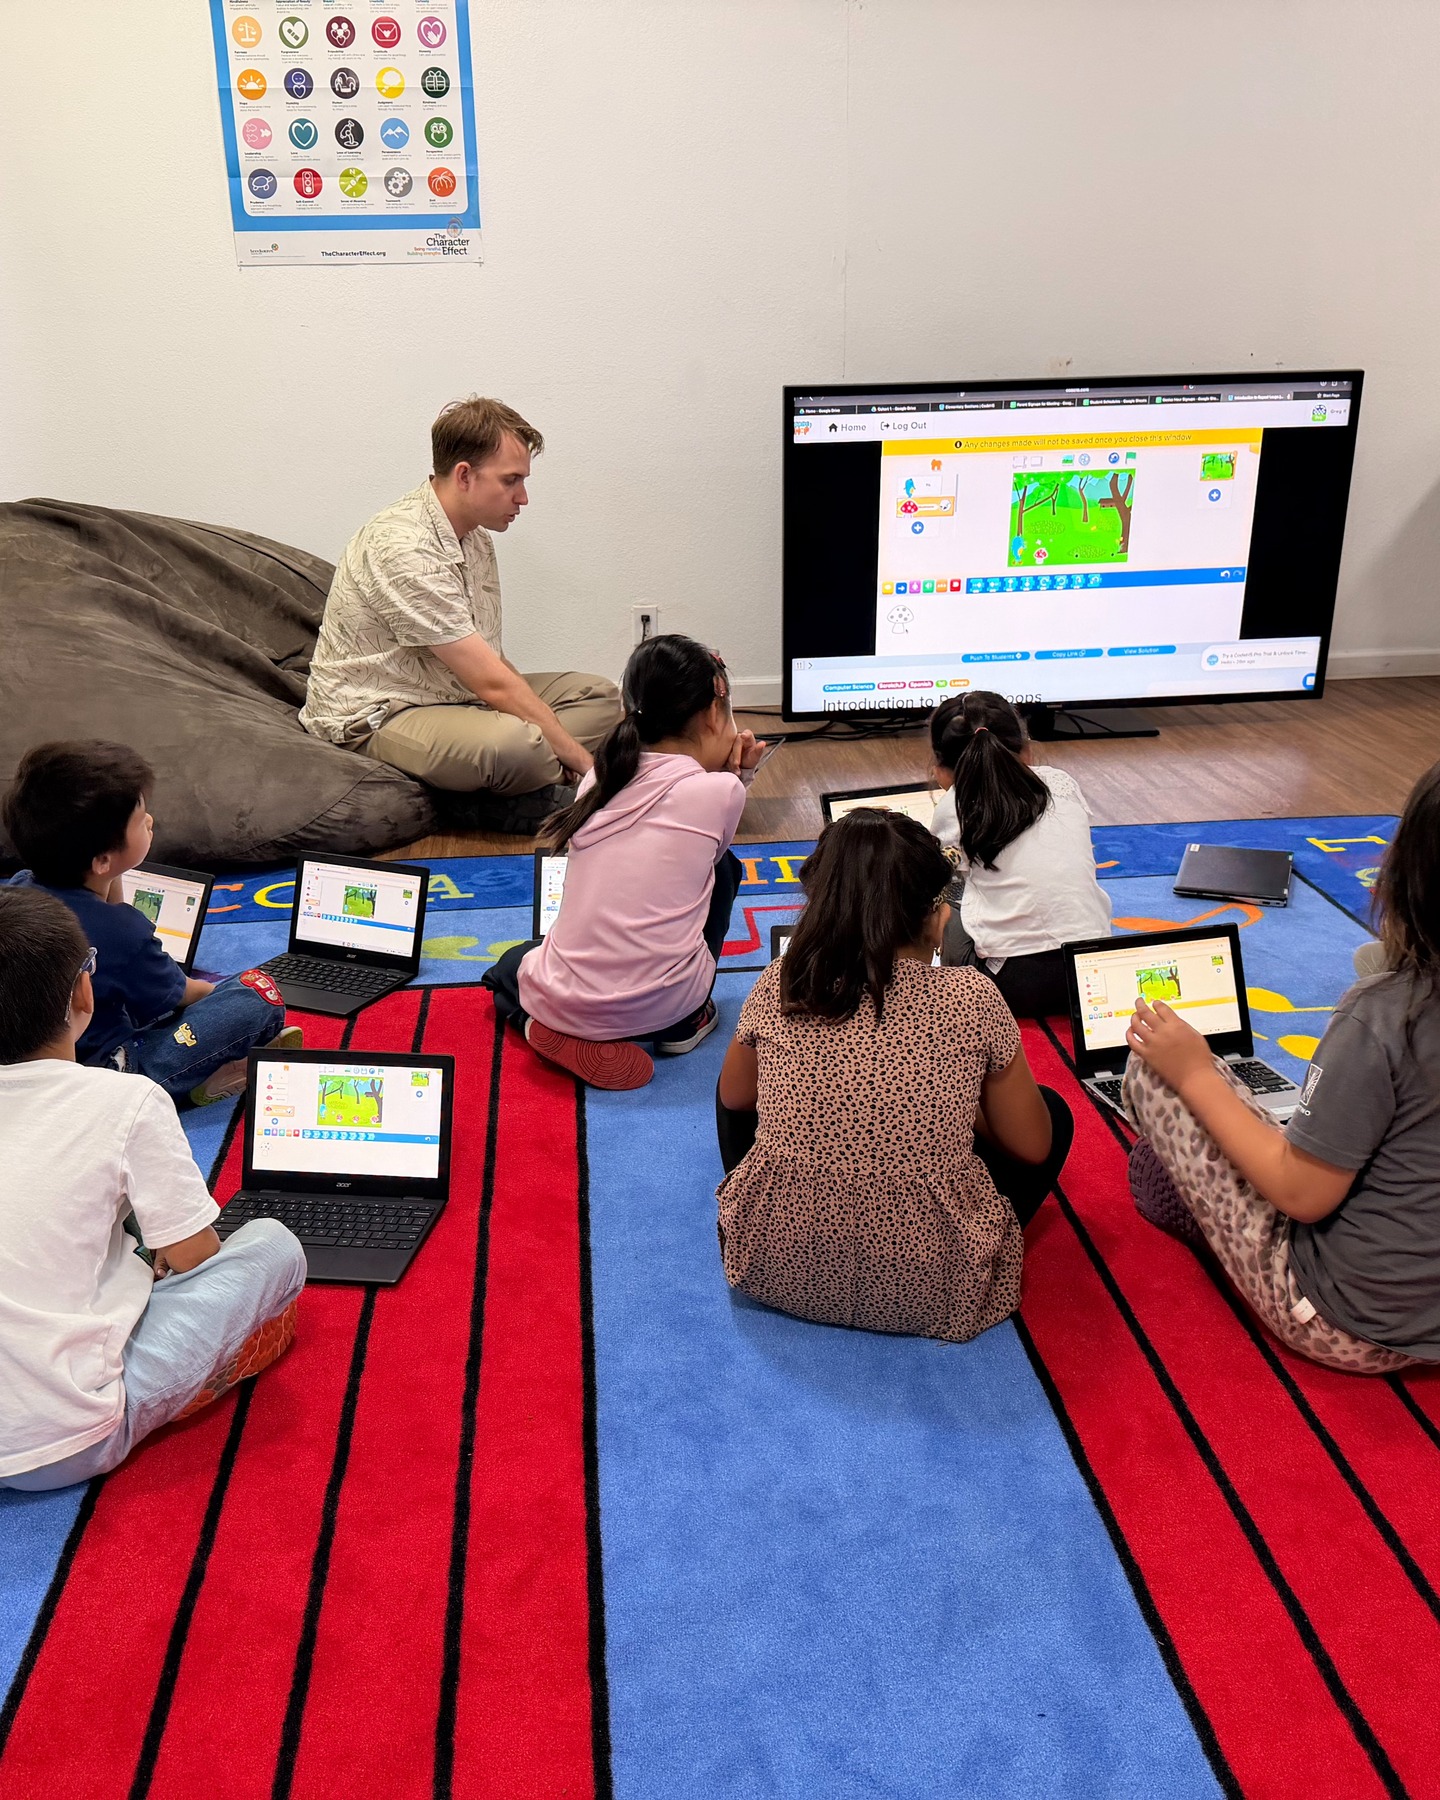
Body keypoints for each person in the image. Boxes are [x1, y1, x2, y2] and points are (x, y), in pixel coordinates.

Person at [1124, 757, 1440, 1373]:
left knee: (1154, 1074)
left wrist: (1191, 1071)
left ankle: (1193, 1205)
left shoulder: (1382, 1018)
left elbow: (1303, 1195)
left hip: (1348, 1322)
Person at [714, 809, 1074, 1343]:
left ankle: (781, 1205)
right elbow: (1032, 1145)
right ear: (935, 917)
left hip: (773, 1263)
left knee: (739, 1076)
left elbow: (735, 1098)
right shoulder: (971, 998)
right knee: (1055, 1116)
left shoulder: (783, 981)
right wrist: (959, 1105)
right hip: (935, 1284)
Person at [0, 886, 306, 1491]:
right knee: (273, 1245)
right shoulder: (129, 1099)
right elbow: (196, 1258)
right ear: (82, 993)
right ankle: (195, 1378)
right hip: (59, 1441)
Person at [298, 395, 623, 833]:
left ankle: (518, 783)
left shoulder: (475, 538)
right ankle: (506, 789)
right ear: (465, 476)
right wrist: (588, 767)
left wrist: (554, 741)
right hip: (380, 714)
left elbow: (489, 661)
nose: (523, 497)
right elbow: (489, 681)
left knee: (600, 698)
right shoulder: (401, 545)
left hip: (455, 697)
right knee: (517, 745)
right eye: (511, 481)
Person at [482, 634, 765, 1090]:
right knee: (725, 867)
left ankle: (539, 1027)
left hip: (567, 1001)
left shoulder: (599, 776)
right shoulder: (722, 792)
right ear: (715, 713)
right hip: (665, 1006)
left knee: (508, 968)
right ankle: (686, 1024)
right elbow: (705, 846)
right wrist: (738, 774)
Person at [2, 741, 299, 1104]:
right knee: (256, 993)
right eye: (140, 819)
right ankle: (179, 1084)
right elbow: (185, 994)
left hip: (23, 1060)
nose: (150, 821)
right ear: (101, 860)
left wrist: (112, 873)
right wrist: (222, 994)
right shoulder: (124, 932)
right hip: (108, 1072)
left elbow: (101, 902)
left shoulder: (18, 890)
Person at [928, 690, 1111, 1017]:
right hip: (1092, 973)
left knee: (947, 887)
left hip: (1009, 985)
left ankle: (945, 981)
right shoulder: (1061, 782)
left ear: (940, 768)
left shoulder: (952, 805)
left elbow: (939, 874)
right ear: (1026, 750)